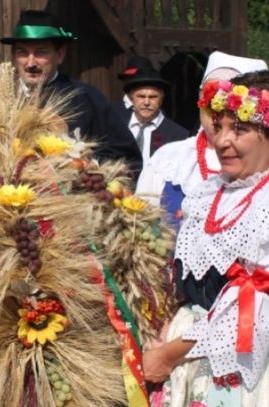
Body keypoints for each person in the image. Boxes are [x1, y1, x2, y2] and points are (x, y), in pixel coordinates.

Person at [143, 70, 269, 406]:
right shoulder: (210, 191)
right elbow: (188, 278)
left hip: (237, 361)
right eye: (220, 126)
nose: (222, 140)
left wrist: (169, 355)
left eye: (239, 129)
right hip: (188, 349)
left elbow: (253, 309)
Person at [0, 9, 143, 174]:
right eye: (23, 52)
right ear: (13, 56)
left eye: (41, 52)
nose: (30, 62)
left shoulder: (87, 99)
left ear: (60, 55)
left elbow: (127, 156)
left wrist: (82, 165)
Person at [136, 51, 267, 229]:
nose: (216, 107)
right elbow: (139, 227)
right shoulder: (169, 160)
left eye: (231, 102)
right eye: (211, 95)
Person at [113, 64, 189, 168]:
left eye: (153, 97)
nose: (146, 102)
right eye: (141, 96)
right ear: (132, 99)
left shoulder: (178, 135)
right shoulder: (117, 126)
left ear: (161, 100)